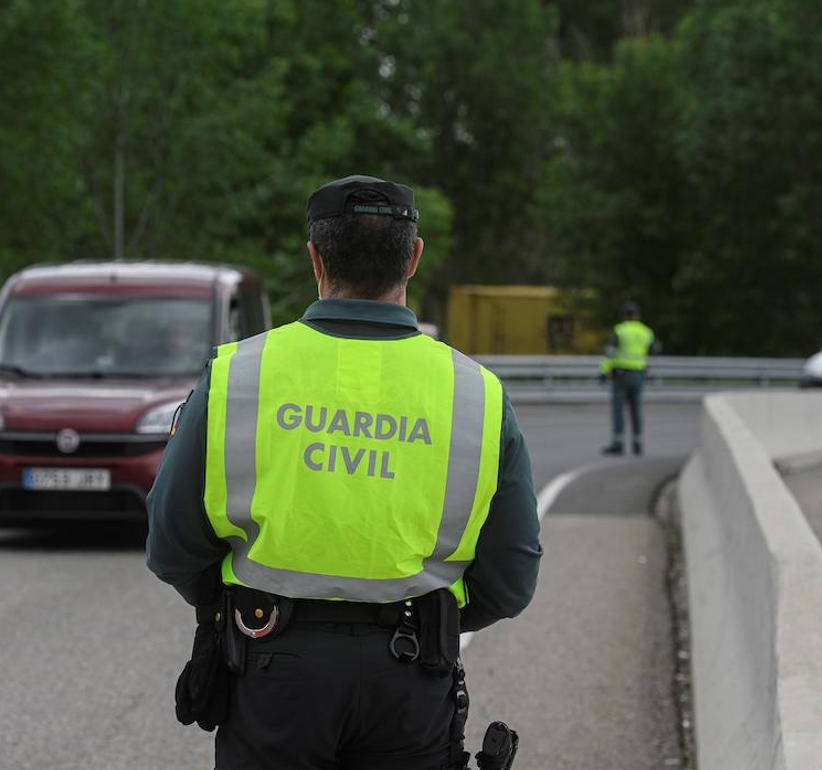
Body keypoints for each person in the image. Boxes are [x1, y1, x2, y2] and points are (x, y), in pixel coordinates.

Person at [146, 174, 542, 769]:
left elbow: (171, 544)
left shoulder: (238, 375)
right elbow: (511, 578)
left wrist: (237, 607)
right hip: (412, 676)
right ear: (414, 257)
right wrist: (431, 618)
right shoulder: (476, 393)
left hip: (271, 667)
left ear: (315, 258)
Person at [599, 301, 660, 456]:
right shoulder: (646, 332)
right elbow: (655, 350)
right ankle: (637, 443)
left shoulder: (620, 331)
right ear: (638, 315)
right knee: (636, 409)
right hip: (638, 375)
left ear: (624, 315)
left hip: (621, 375)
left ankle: (618, 443)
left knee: (618, 410)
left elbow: (609, 353)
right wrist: (650, 371)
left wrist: (604, 372)